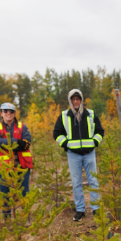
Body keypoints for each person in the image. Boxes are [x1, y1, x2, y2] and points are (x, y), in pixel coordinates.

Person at [52, 89, 104, 222]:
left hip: (89, 154)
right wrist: (66, 144)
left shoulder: (91, 114)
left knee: (93, 181)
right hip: (73, 155)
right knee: (76, 183)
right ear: (70, 101)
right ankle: (80, 210)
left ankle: (96, 209)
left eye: (78, 99)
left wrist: (94, 142)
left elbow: (100, 131)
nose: (75, 101)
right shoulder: (64, 116)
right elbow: (57, 133)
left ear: (81, 100)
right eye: (73, 99)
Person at [0, 102, 33, 217]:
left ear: (14, 113)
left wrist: (5, 142)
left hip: (22, 166)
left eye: (11, 111)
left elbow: (26, 144)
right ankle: (7, 220)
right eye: (5, 111)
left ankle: (27, 217)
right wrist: (16, 141)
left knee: (24, 193)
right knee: (5, 194)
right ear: (1, 113)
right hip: (3, 168)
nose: (8, 113)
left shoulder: (22, 127)